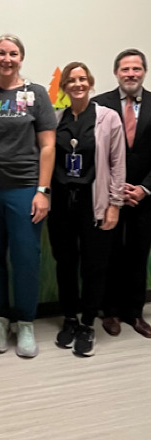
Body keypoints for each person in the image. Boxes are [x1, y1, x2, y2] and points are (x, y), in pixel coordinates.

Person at [0, 34, 56, 358]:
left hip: (25, 190)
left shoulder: (35, 94)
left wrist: (43, 191)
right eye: (1, 53)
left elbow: (47, 145)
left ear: (21, 58)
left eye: (13, 53)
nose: (7, 58)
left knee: (25, 258)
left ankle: (26, 322)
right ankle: (0, 319)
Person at [48, 62, 125, 356]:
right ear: (65, 87)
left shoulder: (108, 118)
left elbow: (118, 164)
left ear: (90, 83)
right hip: (62, 205)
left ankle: (88, 322)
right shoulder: (56, 119)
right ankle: (69, 317)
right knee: (65, 263)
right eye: (71, 80)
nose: (77, 84)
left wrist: (115, 205)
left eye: (82, 79)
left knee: (94, 266)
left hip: (95, 204)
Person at [93, 49, 151, 338]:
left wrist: (144, 188)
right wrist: (114, 190)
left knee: (139, 255)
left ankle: (135, 313)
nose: (131, 74)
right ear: (116, 72)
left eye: (136, 69)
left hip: (145, 197)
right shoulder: (98, 105)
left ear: (144, 72)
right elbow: (95, 154)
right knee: (109, 254)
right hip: (109, 197)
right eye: (125, 69)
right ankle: (110, 311)